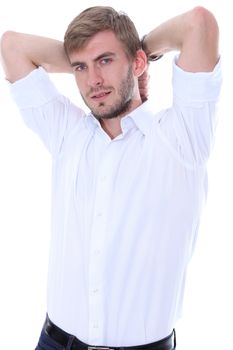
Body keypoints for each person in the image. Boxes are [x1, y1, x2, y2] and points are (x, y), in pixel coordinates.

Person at [0, 5, 221, 350]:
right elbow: (12, 45)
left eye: (105, 61)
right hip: (54, 343)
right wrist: (89, 57)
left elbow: (199, 24)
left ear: (137, 63)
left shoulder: (181, 138)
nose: (93, 81)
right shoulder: (67, 133)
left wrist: (142, 47)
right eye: (80, 68)